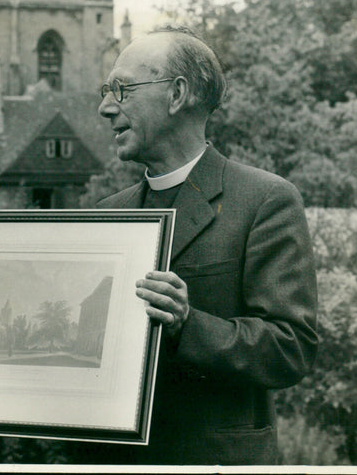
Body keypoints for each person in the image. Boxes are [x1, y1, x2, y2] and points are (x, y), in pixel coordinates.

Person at [86, 27, 318, 465]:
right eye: (106, 91)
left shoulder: (265, 199)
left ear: (177, 95)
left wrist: (187, 326)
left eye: (121, 89)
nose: (105, 107)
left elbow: (291, 348)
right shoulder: (108, 211)